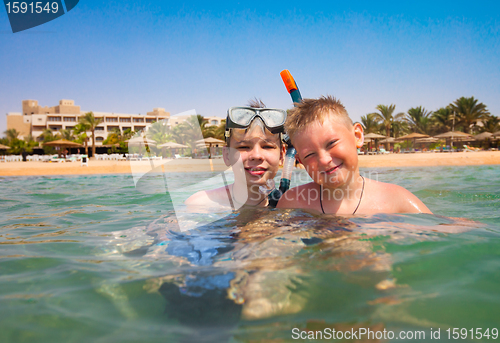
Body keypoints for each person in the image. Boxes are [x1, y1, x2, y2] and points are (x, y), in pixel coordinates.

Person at [277, 96, 432, 215]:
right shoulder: (293, 202)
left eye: (331, 143)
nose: (324, 160)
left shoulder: (396, 200)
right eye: (310, 154)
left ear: (357, 136)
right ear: (300, 161)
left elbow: (442, 229)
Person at [185, 100, 286, 208]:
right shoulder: (201, 204)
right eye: (243, 147)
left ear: (281, 155)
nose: (256, 155)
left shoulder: (291, 206)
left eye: (267, 146)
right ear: (227, 155)